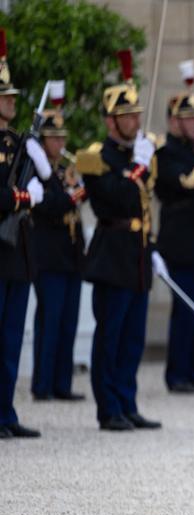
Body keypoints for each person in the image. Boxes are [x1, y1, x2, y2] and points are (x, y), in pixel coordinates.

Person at [77, 49, 161, 431]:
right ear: (111, 121)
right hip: (112, 254)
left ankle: (127, 402)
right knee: (109, 335)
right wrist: (139, 167)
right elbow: (112, 197)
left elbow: (145, 207)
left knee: (133, 338)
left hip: (138, 254)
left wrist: (154, 247)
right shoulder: (91, 156)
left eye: (137, 115)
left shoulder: (138, 153)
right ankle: (107, 408)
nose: (135, 121)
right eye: (127, 116)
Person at [0, 30, 46, 438]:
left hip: (15, 253)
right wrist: (22, 197)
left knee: (12, 337)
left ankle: (6, 413)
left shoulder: (17, 143)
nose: (12, 100)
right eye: (6, 95)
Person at [154, 60, 194, 393]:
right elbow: (184, 184)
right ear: (175, 121)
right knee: (185, 309)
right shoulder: (166, 152)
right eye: (190, 118)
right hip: (180, 238)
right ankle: (177, 372)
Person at [31, 90, 87, 402]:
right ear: (42, 142)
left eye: (62, 137)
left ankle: (62, 383)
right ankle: (43, 384)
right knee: (49, 320)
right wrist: (73, 194)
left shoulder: (65, 170)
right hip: (49, 255)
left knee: (68, 322)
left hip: (71, 254)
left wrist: (80, 188)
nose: (60, 144)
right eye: (54, 138)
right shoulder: (36, 171)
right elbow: (50, 206)